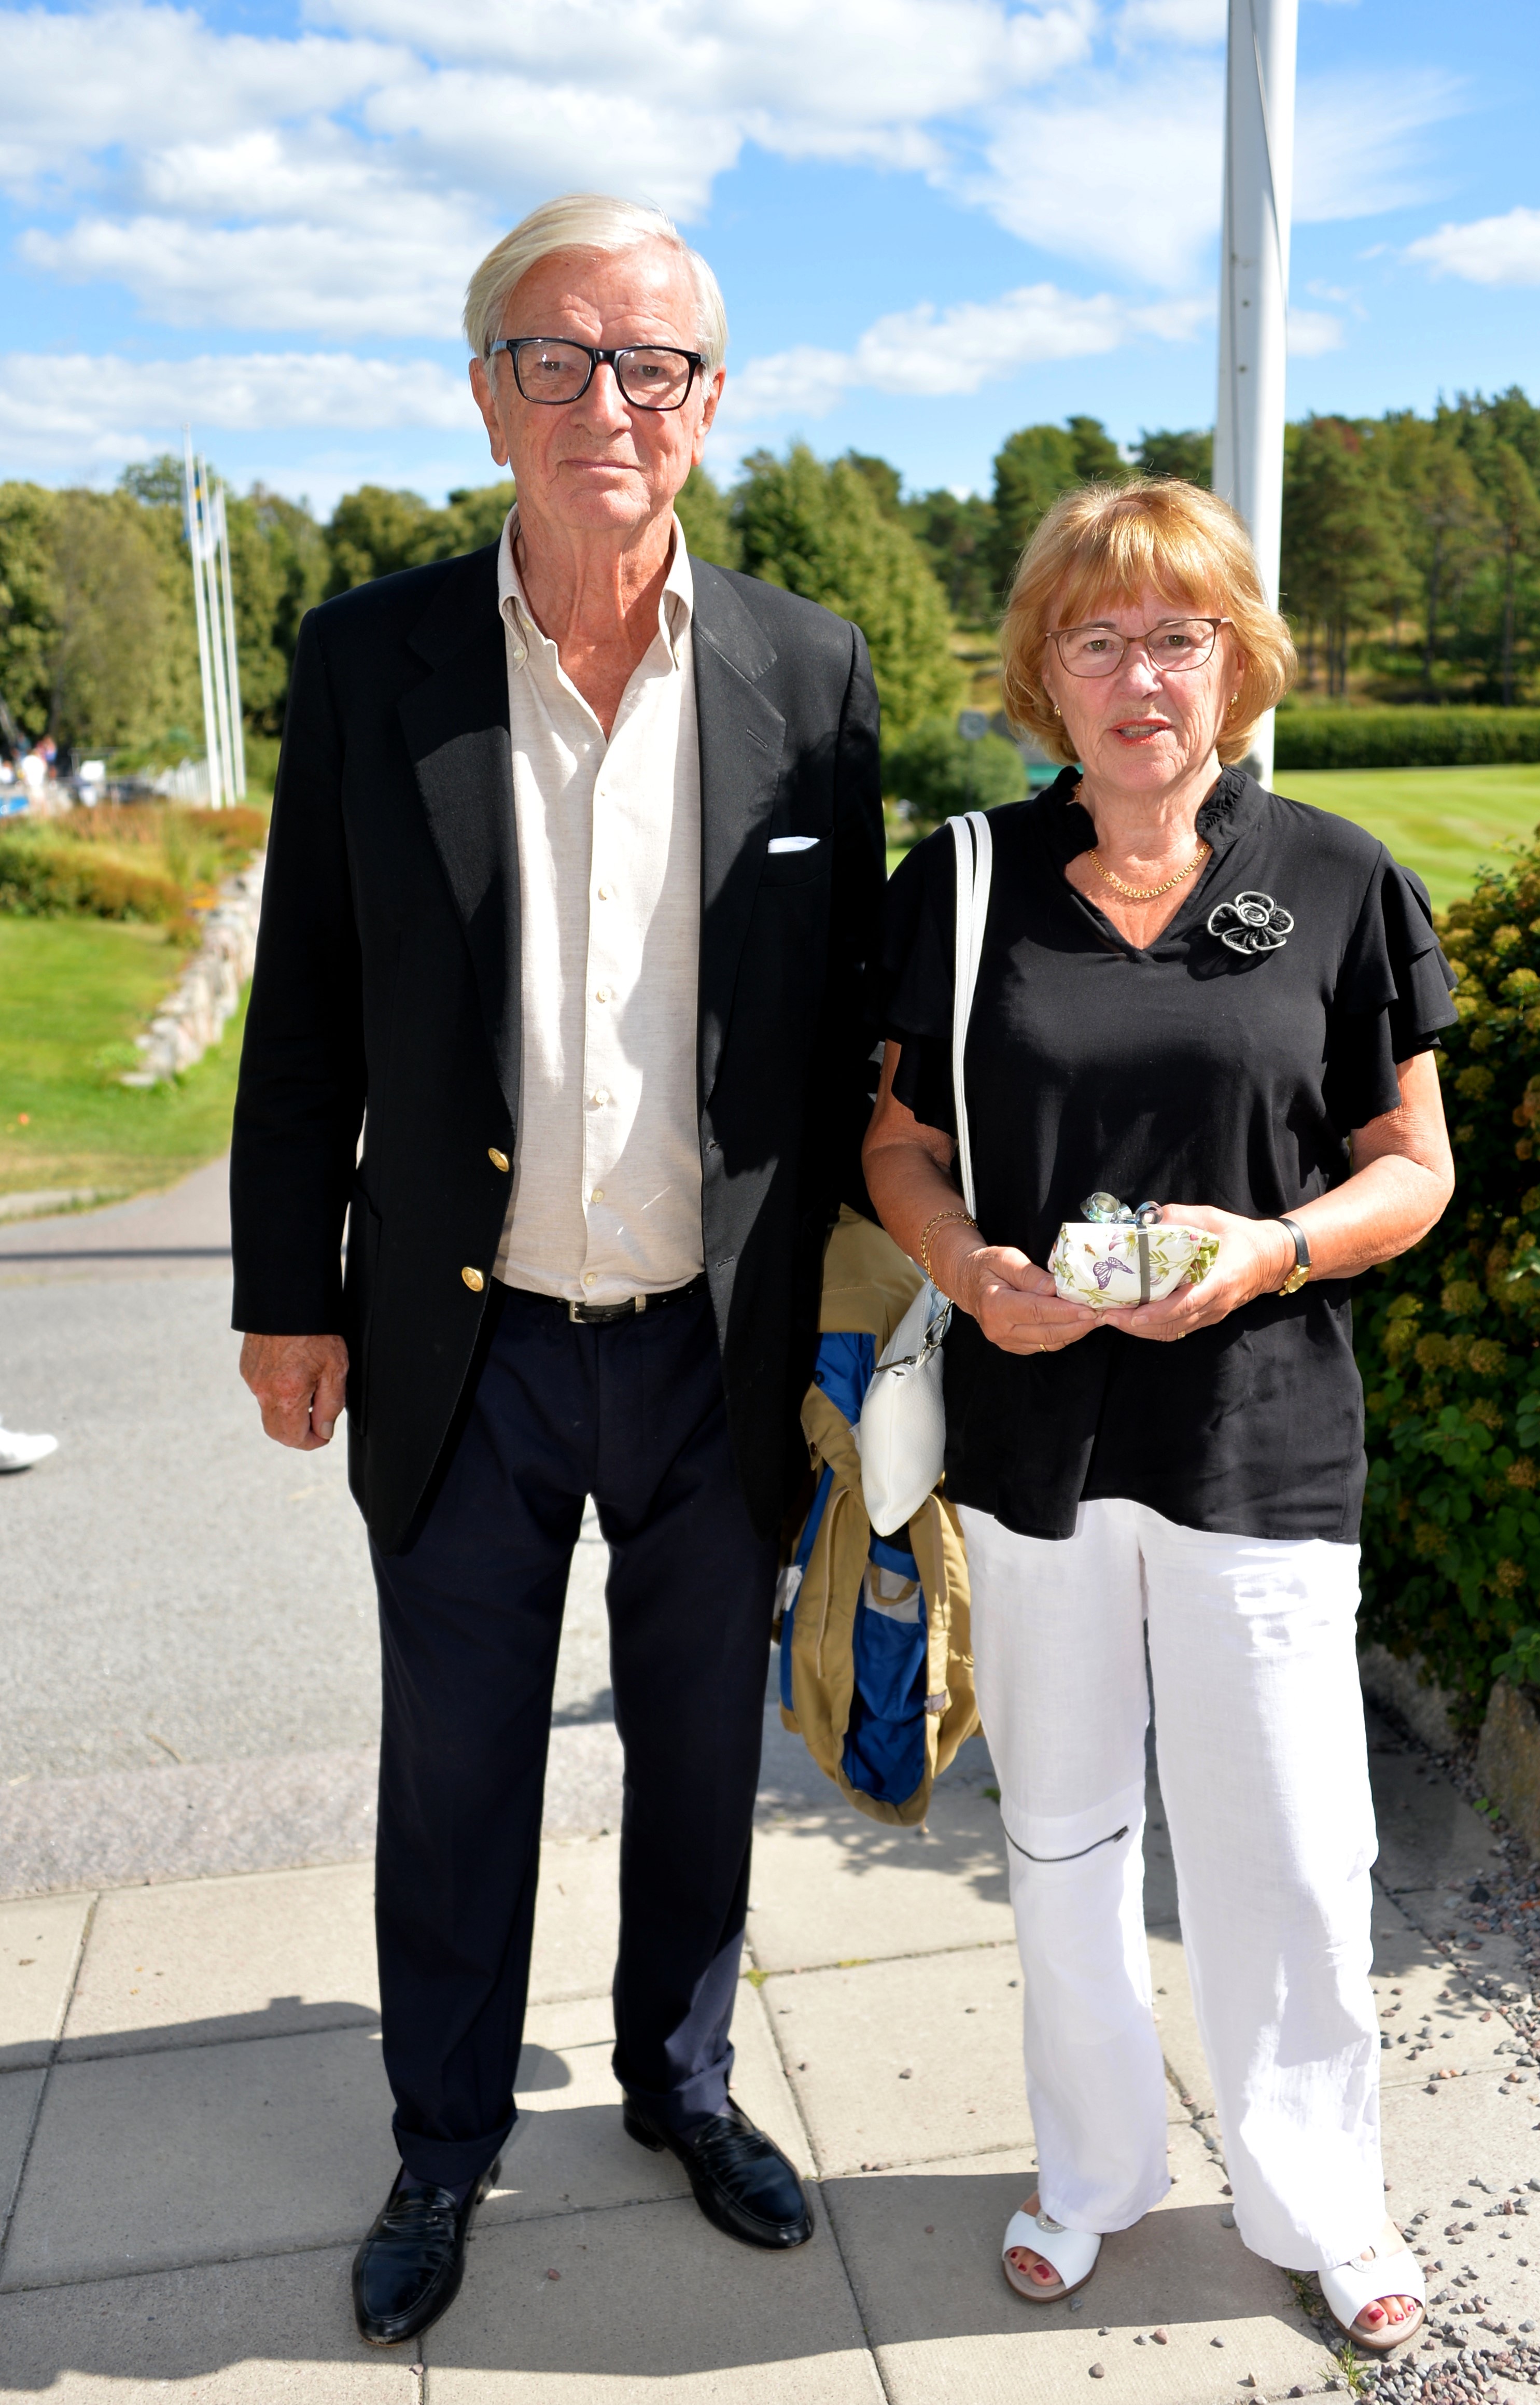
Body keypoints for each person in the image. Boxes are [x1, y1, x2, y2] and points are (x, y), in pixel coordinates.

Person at [231, 192, 884, 2348]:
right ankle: (442, 2139)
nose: (610, 397)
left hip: (714, 1340)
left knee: (700, 1752)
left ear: (710, 399)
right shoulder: (369, 659)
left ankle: (681, 2082)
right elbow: (306, 1008)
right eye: (560, 355)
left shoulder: (809, 667)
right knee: (458, 1767)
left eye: (653, 361)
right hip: (466, 1338)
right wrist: (286, 1292)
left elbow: (849, 1025)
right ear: (488, 391)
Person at [863, 478, 1455, 2354]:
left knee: (1290, 1843)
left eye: (1178, 638)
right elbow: (898, 1144)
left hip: (1260, 1439)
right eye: (1098, 640)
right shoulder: (966, 881)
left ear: (1238, 661)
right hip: (1035, 1441)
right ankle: (1092, 2172)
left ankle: (1321, 2198)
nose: (1141, 678)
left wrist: (1276, 1247)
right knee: (1063, 1834)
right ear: (1043, 673)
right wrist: (971, 1271)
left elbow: (1414, 1169)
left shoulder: (1340, 878)